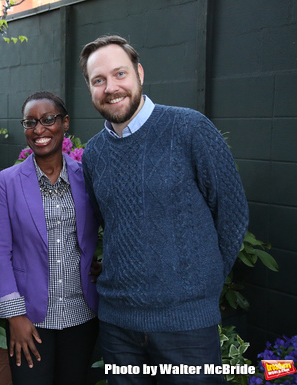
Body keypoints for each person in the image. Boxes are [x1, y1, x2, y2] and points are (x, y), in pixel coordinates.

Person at [79, 35, 249, 385]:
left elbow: (232, 213)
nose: (111, 87)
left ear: (139, 73)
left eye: (120, 74)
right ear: (90, 88)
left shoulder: (189, 128)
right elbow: (110, 224)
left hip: (186, 325)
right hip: (118, 327)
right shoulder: (94, 154)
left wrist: (202, 285)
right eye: (99, 80)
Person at [0, 91, 100, 385]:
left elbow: (109, 224)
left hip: (82, 314)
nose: (39, 130)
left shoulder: (86, 175)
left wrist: (104, 263)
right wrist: (15, 317)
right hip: (31, 318)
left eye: (48, 120)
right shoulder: (8, 182)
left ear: (64, 123)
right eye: (30, 122)